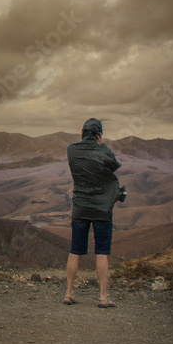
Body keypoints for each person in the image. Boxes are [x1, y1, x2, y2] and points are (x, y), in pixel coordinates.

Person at [64, 117, 126, 308]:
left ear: (82, 133)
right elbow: (113, 165)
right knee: (101, 253)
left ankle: (68, 294)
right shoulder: (103, 151)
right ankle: (103, 297)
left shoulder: (72, 150)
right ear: (99, 135)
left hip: (81, 207)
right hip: (102, 209)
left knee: (75, 251)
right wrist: (101, 145)